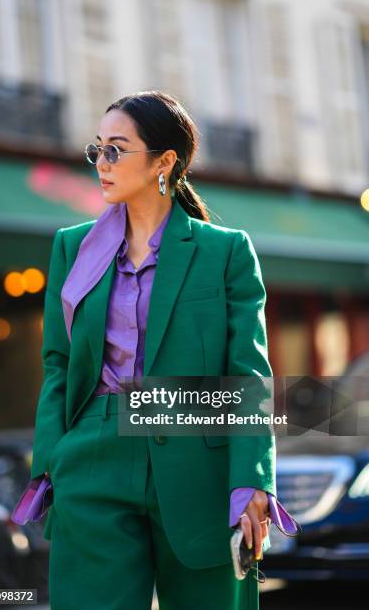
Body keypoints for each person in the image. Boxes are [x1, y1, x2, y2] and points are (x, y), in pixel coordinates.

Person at [30, 90, 297, 609]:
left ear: (164, 161)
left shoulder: (226, 251)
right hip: (93, 458)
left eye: (117, 150)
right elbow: (58, 364)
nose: (101, 164)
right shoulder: (71, 247)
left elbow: (246, 373)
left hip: (200, 463)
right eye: (98, 150)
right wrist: (51, 461)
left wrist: (251, 480)